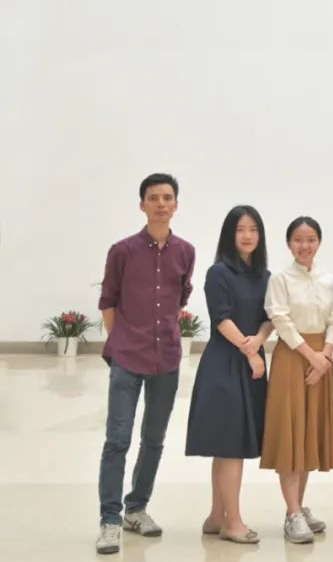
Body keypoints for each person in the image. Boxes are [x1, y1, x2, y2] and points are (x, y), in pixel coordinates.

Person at [94, 173, 195, 554]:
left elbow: (180, 297)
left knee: (154, 440)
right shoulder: (122, 251)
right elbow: (109, 301)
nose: (161, 204)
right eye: (153, 198)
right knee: (117, 440)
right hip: (127, 358)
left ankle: (137, 508)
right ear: (142, 205)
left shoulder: (186, 252)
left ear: (176, 205)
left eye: (167, 197)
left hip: (166, 359)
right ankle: (110, 519)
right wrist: (121, 341)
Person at [186, 205, 273, 544]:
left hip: (252, 362)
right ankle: (233, 522)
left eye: (253, 229)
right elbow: (221, 318)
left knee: (229, 445)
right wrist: (250, 351)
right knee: (230, 445)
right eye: (240, 229)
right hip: (224, 363)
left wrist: (260, 341)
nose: (247, 236)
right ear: (229, 235)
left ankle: (216, 515)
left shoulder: (265, 276)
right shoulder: (218, 273)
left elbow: (269, 318)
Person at [262, 216, 333, 543]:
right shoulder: (280, 279)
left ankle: (295, 508)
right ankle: (293, 512)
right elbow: (280, 320)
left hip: (320, 358)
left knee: (309, 435)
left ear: (319, 243)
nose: (304, 245)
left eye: (310, 240)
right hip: (292, 358)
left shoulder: (328, 280)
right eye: (298, 239)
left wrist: (326, 355)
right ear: (289, 244)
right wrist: (313, 357)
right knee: (291, 434)